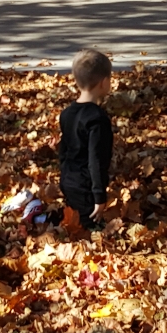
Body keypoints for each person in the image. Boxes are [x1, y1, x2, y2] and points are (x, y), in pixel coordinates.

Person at [58, 49, 113, 228]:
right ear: (104, 83)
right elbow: (95, 160)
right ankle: (40, 219)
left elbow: (63, 149)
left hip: (68, 179)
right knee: (92, 229)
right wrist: (99, 196)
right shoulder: (97, 119)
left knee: (74, 219)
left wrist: (64, 176)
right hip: (86, 185)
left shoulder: (67, 113)